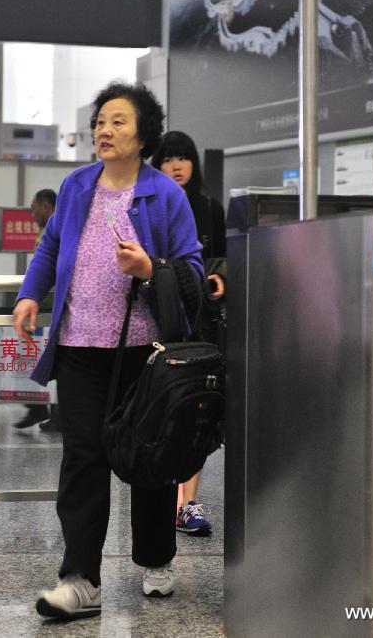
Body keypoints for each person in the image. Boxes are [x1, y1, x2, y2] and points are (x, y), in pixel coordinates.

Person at [12, 82, 203, 622]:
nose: (104, 129)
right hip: (76, 347)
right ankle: (80, 579)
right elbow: (50, 247)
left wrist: (148, 269)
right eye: (100, 121)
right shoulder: (75, 187)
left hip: (145, 351)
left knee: (147, 457)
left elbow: (190, 266)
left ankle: (155, 557)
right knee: (83, 459)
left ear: (143, 133)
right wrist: (30, 293)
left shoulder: (165, 195)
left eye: (118, 121)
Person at [152, 131, 226, 537]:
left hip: (200, 322)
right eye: (168, 158)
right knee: (160, 409)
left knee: (197, 409)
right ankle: (161, 495)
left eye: (183, 158)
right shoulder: (152, 205)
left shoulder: (209, 207)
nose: (177, 165)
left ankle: (187, 502)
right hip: (158, 322)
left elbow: (225, 258)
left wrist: (219, 277)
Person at [13, 189, 59, 431]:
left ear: (46, 207)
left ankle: (49, 411)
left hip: (55, 307)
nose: (32, 214)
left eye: (34, 208)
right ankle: (40, 407)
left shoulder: (58, 228)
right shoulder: (44, 233)